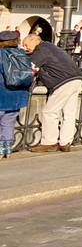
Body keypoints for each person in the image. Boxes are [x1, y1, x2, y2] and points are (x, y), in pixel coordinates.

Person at [21, 31, 81, 153]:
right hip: (76, 79)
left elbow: (29, 66)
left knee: (49, 111)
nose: (25, 48)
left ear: (34, 40)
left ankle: (49, 142)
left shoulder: (41, 49)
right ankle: (65, 142)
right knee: (69, 113)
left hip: (63, 82)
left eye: (26, 45)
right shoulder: (51, 46)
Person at [0, 28, 32, 158]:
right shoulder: (21, 54)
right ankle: (5, 150)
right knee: (9, 122)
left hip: (2, 93)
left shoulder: (1, 54)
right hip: (17, 95)